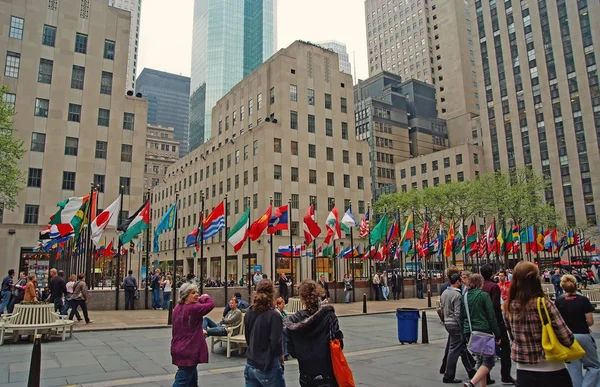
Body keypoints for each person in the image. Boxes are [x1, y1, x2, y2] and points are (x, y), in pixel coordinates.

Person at [503, 261, 574, 387]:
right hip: (551, 368)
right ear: (536, 280)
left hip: (524, 370)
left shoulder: (509, 305)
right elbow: (566, 337)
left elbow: (513, 336)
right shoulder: (544, 304)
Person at [284, 279, 344, 386]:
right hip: (328, 374)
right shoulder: (329, 316)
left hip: (306, 375)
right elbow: (339, 344)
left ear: (302, 299)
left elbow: (292, 351)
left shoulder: (293, 321)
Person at [556, 274, 600, 387]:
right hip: (583, 334)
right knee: (593, 366)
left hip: (568, 337)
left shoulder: (559, 301)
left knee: (573, 368)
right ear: (576, 285)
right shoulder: (583, 300)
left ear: (562, 287)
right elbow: (590, 321)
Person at [170, 283, 215, 387]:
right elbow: (210, 305)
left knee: (191, 379)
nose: (197, 295)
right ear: (186, 295)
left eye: (197, 292)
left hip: (178, 347)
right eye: (193, 292)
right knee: (182, 381)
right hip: (189, 350)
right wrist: (205, 297)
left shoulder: (177, 308)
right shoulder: (193, 308)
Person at [462, 274, 501, 387]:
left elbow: (462, 316)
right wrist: (497, 334)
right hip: (483, 330)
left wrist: (463, 333)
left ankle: (482, 385)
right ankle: (472, 383)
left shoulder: (464, 296)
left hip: (470, 331)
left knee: (480, 360)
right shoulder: (484, 296)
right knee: (489, 361)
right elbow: (491, 316)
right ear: (480, 283)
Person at [244, 280, 285, 387]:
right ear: (272, 294)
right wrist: (280, 356)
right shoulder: (274, 315)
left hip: (250, 363)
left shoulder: (249, 312)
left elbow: (248, 338)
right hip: (268, 365)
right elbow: (276, 342)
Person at [480, 265, 515, 385]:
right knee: (505, 347)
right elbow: (495, 305)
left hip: (484, 321)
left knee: (485, 350)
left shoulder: (481, 286)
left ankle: (486, 377)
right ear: (492, 274)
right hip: (496, 321)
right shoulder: (493, 287)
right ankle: (505, 375)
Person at [441, 274, 476, 384]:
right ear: (456, 282)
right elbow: (457, 314)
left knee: (461, 348)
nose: (461, 284)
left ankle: (470, 370)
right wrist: (462, 328)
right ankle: (449, 375)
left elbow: (442, 308)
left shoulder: (445, 293)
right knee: (454, 350)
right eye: (460, 281)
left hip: (447, 322)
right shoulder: (457, 295)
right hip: (455, 324)